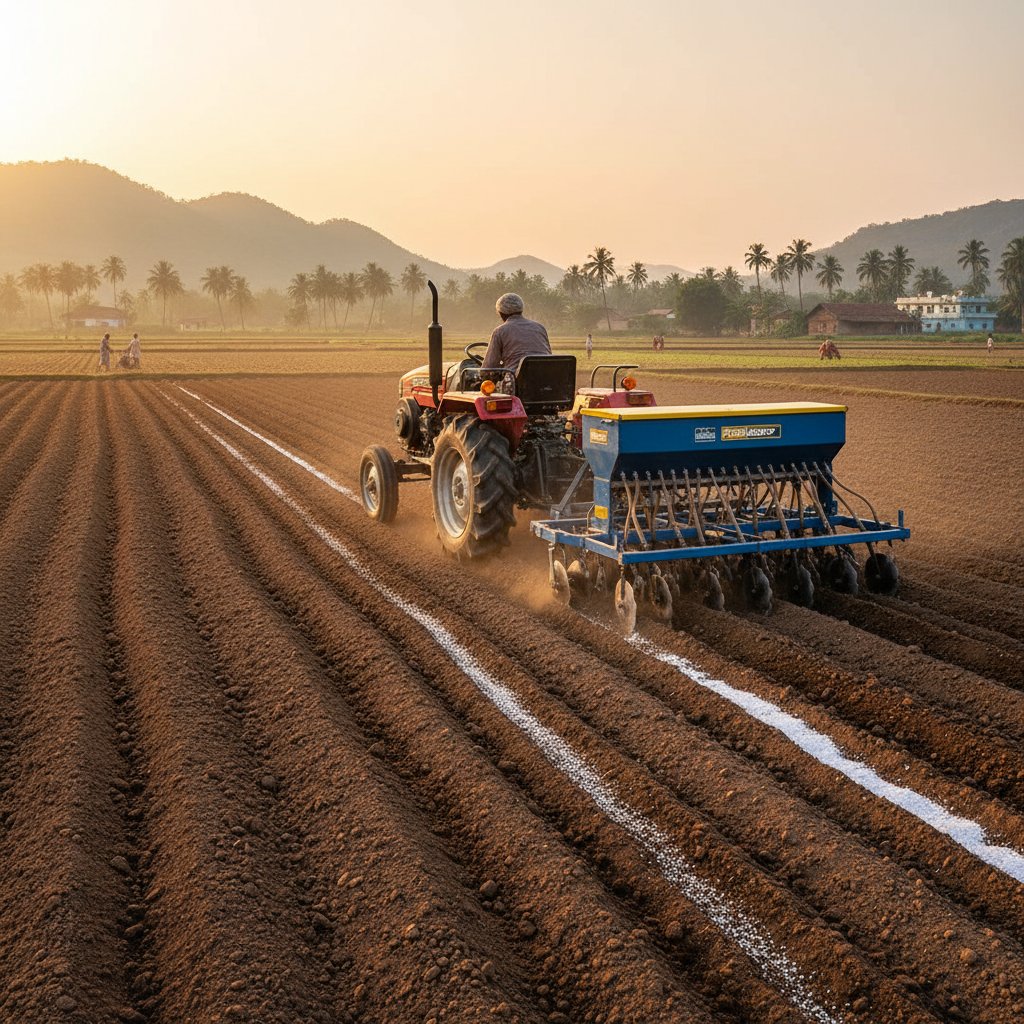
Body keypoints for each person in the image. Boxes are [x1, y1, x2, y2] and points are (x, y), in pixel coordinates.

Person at [482, 293, 551, 368]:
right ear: (521, 309)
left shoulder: (500, 331)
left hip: (515, 375)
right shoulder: (540, 328)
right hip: (545, 373)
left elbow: (488, 367)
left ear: (501, 313)